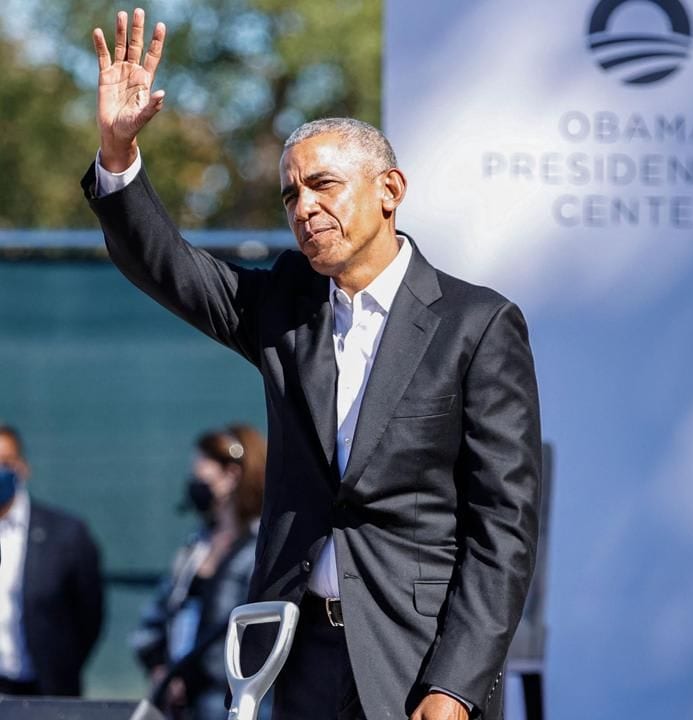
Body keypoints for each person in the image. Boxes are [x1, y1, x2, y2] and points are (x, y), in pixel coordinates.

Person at [83, 10, 542, 720]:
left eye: (325, 184)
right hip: (295, 656)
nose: (305, 207)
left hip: (418, 661)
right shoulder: (287, 306)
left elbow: (503, 525)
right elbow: (170, 268)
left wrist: (454, 684)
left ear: (390, 190)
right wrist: (118, 154)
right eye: (291, 194)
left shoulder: (474, 324)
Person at [131, 425, 266, 719]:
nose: (194, 482)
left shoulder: (260, 550)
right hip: (181, 705)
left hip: (226, 703)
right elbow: (160, 612)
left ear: (232, 475)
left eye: (201, 473)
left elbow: (254, 636)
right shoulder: (197, 545)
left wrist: (195, 674)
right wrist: (161, 669)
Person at [0, 424, 103, 697]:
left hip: (47, 690)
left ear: (22, 467)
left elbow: (89, 614)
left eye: (5, 463)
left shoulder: (66, 533)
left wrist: (61, 664)